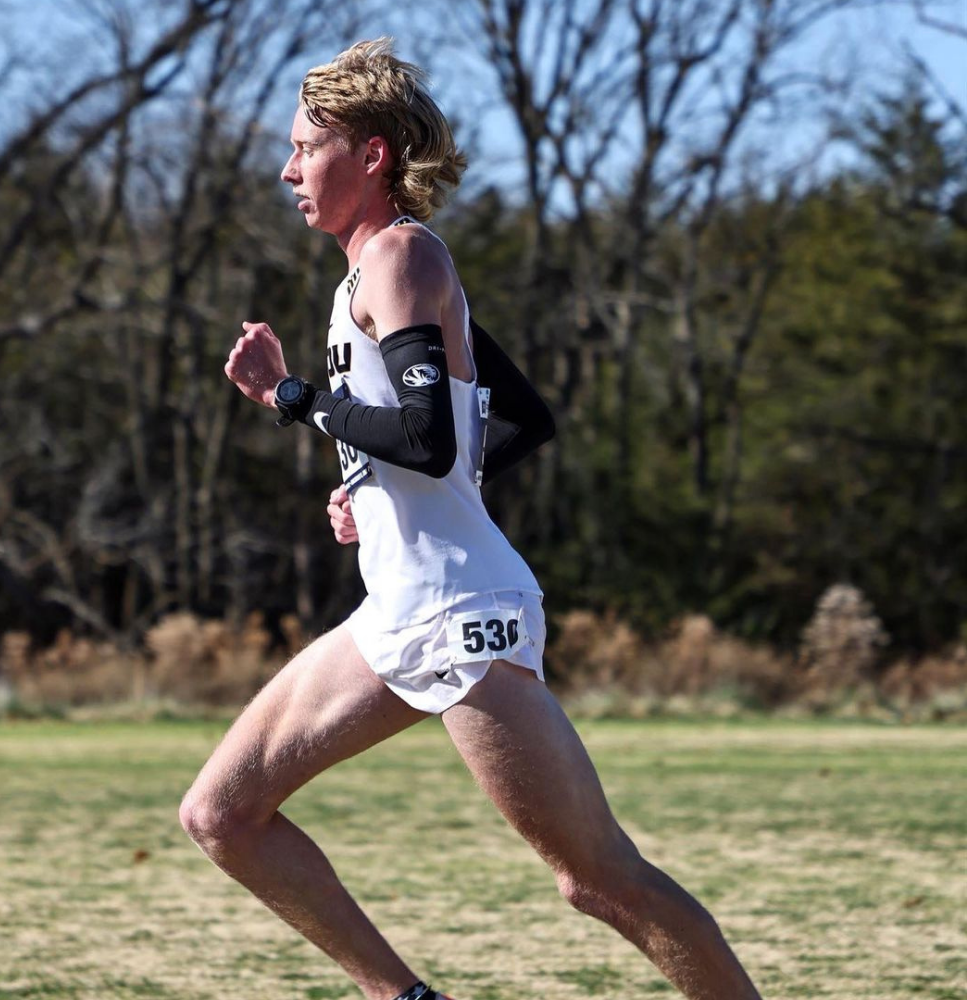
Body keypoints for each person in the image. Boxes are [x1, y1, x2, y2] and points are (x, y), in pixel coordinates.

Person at [179, 38, 764, 1000]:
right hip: (398, 613)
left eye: (304, 147)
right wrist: (372, 489)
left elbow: (433, 440)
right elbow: (511, 423)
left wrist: (290, 397)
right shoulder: (366, 274)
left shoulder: (404, 254)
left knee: (598, 879)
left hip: (461, 613)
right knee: (222, 815)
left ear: (370, 154)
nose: (287, 170)